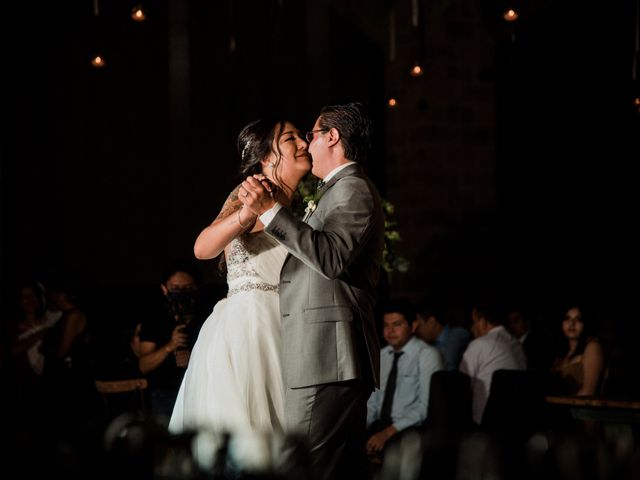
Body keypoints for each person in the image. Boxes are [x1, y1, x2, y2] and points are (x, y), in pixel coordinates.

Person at [241, 102, 385, 480]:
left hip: (328, 356)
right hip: (325, 356)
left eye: (311, 135)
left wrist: (272, 212)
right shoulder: (334, 190)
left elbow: (332, 257)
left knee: (302, 469)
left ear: (331, 137)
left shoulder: (352, 188)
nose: (307, 143)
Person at [169, 117, 312, 435]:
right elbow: (203, 248)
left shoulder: (304, 203)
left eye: (301, 137)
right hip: (251, 324)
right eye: (290, 139)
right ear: (267, 158)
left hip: (291, 322)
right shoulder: (252, 191)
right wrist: (247, 214)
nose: (303, 143)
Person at [366, 298, 443, 456]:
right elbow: (373, 403)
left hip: (410, 430)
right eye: (386, 325)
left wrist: (387, 433)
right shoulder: (382, 355)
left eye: (397, 324)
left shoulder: (427, 355)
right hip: (381, 425)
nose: (390, 331)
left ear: (413, 326)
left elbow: (425, 407)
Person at [138, 259, 206, 422]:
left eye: (187, 288)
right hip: (165, 393)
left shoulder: (208, 316)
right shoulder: (154, 319)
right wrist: (170, 346)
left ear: (196, 288)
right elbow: (143, 365)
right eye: (175, 288)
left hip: (200, 389)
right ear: (164, 288)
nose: (181, 293)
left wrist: (194, 358)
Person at [459, 302, 527, 425]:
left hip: (482, 425)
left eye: (474, 322)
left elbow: (460, 387)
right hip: (515, 422)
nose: (472, 328)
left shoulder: (479, 344)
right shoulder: (517, 345)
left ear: (483, 321)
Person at [551, 303, 605, 396]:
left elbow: (589, 391)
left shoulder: (593, 347)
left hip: (580, 408)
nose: (571, 324)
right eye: (567, 318)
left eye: (578, 319)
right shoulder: (562, 352)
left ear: (586, 323)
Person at [412, 302, 471, 371]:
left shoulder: (457, 335)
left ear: (432, 322)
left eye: (419, 326)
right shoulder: (427, 344)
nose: (416, 331)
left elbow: (448, 363)